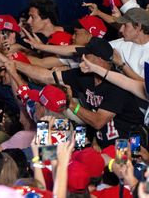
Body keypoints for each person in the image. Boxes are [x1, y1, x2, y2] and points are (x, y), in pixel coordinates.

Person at [13, 37, 145, 148]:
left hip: (129, 143)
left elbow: (98, 122)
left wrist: (70, 103)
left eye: (86, 55)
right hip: (97, 144)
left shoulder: (117, 85)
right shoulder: (83, 76)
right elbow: (45, 77)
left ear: (98, 60)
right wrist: (13, 65)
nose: (82, 58)